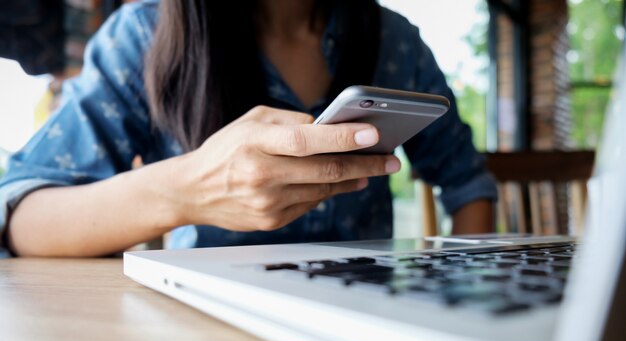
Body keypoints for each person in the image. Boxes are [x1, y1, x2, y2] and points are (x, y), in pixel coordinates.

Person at [0, 0, 497, 258]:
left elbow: (467, 182)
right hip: (204, 331)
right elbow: (19, 215)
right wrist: (184, 191)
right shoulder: (145, 36)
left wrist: (461, 291)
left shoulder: (397, 40)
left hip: (374, 313)